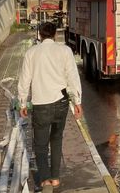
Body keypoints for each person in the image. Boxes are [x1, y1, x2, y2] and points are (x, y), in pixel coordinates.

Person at [18, 22, 83, 191]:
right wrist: (77, 102)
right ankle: (55, 178)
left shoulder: (31, 53)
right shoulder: (65, 51)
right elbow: (73, 77)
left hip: (41, 105)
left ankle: (45, 180)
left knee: (40, 145)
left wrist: (22, 102)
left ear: (39, 35)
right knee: (56, 139)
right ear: (55, 35)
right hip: (61, 104)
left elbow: (24, 80)